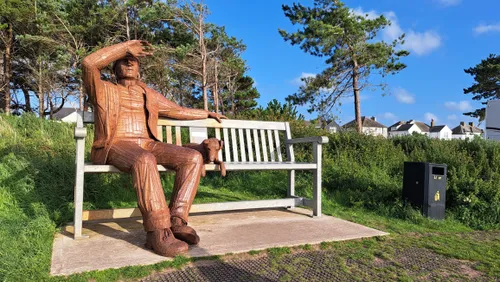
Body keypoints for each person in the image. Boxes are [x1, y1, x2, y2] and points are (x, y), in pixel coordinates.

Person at [82, 40, 226, 257]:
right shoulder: (102, 89)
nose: (129, 62)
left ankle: (177, 221)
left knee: (192, 157)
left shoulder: (149, 94)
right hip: (116, 144)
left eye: (133, 60)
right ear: (114, 66)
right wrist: (126, 48)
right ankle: (157, 231)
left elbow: (178, 111)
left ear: (140, 70)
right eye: (124, 59)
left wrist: (206, 114)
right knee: (144, 159)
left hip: (148, 143)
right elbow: (88, 63)